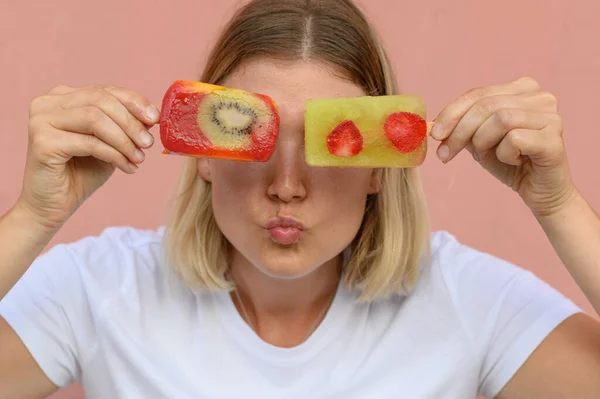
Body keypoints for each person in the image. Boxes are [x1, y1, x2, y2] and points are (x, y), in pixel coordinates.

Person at [1, 0, 600, 398]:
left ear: (376, 169)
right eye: (246, 132)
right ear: (204, 153)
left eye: (328, 143)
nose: (286, 183)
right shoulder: (98, 287)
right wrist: (33, 216)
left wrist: (560, 206)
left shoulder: (468, 301)